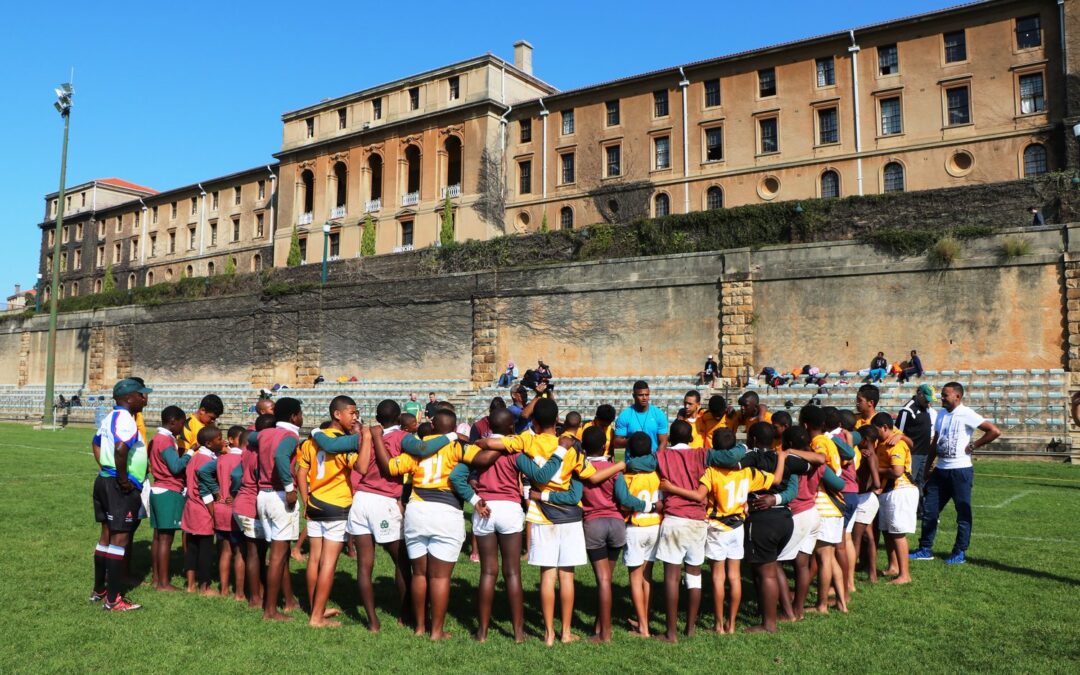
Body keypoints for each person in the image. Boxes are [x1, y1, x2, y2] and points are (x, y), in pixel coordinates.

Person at [476, 398, 625, 646]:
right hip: (569, 516)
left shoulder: (527, 440)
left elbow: (493, 442)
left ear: (533, 421)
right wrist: (620, 464)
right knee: (567, 575)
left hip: (540, 514)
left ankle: (548, 634)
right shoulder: (571, 447)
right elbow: (595, 477)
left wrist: (481, 441)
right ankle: (566, 632)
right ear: (557, 421)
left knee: (548, 575)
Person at [376, 408, 495, 641]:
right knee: (440, 578)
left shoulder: (417, 447)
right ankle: (436, 632)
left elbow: (391, 467)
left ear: (432, 427)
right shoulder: (458, 447)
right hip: (446, 512)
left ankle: (420, 627)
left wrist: (376, 439)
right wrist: (504, 443)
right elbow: (483, 458)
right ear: (453, 429)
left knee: (419, 574)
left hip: (417, 511)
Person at [661, 425, 787, 634]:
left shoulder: (711, 472)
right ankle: (732, 624)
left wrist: (672, 488)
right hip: (738, 525)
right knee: (735, 577)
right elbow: (776, 479)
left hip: (717, 526)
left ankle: (718, 624)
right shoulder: (747, 473)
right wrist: (781, 460)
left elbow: (699, 495)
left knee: (718, 577)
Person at [452, 408, 527, 642]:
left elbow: (457, 476)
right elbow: (533, 472)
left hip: (485, 508)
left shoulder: (478, 448)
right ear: (511, 429)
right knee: (513, 572)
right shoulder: (515, 450)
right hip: (510, 508)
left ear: (488, 428)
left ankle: (482, 632)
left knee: (487, 572)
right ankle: (518, 633)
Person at [911, 382, 1000, 565]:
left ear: (957, 397)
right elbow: (936, 440)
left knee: (963, 513)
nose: (942, 398)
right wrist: (928, 466)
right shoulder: (942, 414)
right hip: (940, 470)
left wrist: (974, 445)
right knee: (930, 511)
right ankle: (925, 549)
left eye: (945, 395)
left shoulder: (966, 413)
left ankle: (959, 551)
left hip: (960, 471)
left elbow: (994, 431)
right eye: (942, 395)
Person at [299, 396, 369, 627]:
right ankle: (317, 617)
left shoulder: (311, 441)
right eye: (352, 412)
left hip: (315, 504)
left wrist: (307, 499)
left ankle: (314, 607)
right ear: (337, 414)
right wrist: (366, 439)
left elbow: (302, 472)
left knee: (314, 560)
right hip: (337, 506)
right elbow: (360, 466)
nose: (355, 417)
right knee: (329, 563)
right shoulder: (343, 443)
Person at [576, 426, 647, 643]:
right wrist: (648, 505)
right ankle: (600, 626)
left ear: (584, 449)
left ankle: (604, 634)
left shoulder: (581, 469)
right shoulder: (615, 470)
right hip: (616, 525)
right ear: (605, 446)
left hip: (593, 525)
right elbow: (624, 499)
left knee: (603, 580)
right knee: (607, 578)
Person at [91, 378, 152, 611]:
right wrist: (123, 478)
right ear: (129, 398)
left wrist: (105, 467)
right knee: (120, 538)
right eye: (141, 394)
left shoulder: (109, 417)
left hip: (104, 481)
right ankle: (114, 599)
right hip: (119, 486)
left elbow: (95, 443)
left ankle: (100, 589)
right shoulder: (126, 419)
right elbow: (120, 449)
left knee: (106, 535)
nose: (144, 398)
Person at [255, 397, 304, 621]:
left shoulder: (264, 433)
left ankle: (289, 600)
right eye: (300, 413)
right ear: (294, 416)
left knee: (279, 552)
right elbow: (280, 456)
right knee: (277, 555)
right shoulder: (290, 436)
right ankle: (271, 610)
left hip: (263, 495)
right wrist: (290, 486)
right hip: (279, 496)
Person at [621, 432, 663, 638]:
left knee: (635, 578)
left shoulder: (628, 476)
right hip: (655, 525)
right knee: (647, 576)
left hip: (636, 527)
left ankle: (643, 628)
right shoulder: (657, 474)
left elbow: (624, 504)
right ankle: (643, 619)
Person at [232, 413, 275, 608]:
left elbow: (236, 474)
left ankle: (257, 591)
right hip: (251, 505)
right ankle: (255, 598)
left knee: (254, 550)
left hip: (241, 502)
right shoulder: (261, 451)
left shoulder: (247, 448)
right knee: (254, 552)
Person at [147, 405, 191, 591]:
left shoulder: (156, 438)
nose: (183, 428)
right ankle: (164, 583)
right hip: (168, 491)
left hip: (157, 488)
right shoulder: (165, 440)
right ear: (173, 421)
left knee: (158, 537)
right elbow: (175, 466)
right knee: (166, 539)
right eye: (182, 423)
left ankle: (157, 579)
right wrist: (189, 454)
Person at [871, 412, 918, 585]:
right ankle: (894, 567)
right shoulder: (883, 442)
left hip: (900, 490)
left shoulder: (896, 444)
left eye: (877, 430)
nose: (875, 434)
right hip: (888, 491)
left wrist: (875, 469)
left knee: (898, 533)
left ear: (884, 428)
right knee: (888, 531)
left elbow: (897, 471)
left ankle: (905, 575)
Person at [184, 426, 222, 595]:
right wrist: (213, 512)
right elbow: (204, 489)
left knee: (192, 548)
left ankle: (190, 584)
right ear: (209, 442)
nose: (222, 441)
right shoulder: (206, 461)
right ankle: (204, 587)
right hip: (203, 509)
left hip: (190, 507)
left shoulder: (195, 457)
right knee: (205, 550)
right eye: (219, 439)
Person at [212, 426, 246, 601]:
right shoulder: (242, 459)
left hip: (219, 506)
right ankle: (239, 592)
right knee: (240, 551)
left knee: (225, 550)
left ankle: (224, 589)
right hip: (235, 507)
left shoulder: (220, 459)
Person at [897, 384, 938, 515]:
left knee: (921, 482)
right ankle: (904, 510)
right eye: (926, 399)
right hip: (912, 454)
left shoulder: (925, 408)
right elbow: (898, 433)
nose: (928, 402)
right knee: (909, 482)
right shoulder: (907, 411)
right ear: (919, 394)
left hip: (924, 453)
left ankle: (919, 510)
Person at [613, 380, 670, 453]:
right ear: (633, 396)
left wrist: (657, 458)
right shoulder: (625, 416)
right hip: (632, 461)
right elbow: (617, 442)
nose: (644, 398)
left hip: (653, 460)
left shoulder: (659, 414)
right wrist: (631, 441)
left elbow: (663, 441)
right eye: (640, 395)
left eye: (647, 395)